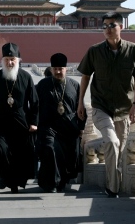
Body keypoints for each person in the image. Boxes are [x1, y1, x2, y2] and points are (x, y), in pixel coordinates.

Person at [77, 12, 135, 198]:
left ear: (121, 27)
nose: (108, 29)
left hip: (124, 109)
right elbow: (85, 76)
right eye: (105, 26)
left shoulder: (132, 50)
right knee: (111, 141)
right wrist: (80, 103)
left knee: (119, 151)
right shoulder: (94, 51)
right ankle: (113, 187)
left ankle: (113, 188)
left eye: (112, 25)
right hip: (101, 107)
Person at [0, 42, 39, 193]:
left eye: (12, 59)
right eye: (7, 59)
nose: (10, 62)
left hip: (20, 121)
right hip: (0, 121)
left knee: (19, 153)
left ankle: (14, 183)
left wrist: (34, 122)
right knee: (1, 149)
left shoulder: (26, 77)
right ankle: (4, 177)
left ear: (18, 60)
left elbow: (34, 101)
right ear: (3, 61)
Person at [36, 53, 86, 193]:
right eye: (55, 69)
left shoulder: (75, 85)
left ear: (66, 69)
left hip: (69, 128)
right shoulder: (43, 85)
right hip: (49, 127)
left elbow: (80, 107)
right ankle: (50, 183)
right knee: (50, 149)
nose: (58, 72)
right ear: (51, 69)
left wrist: (81, 128)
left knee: (67, 157)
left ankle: (61, 182)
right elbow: (34, 105)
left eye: (61, 69)